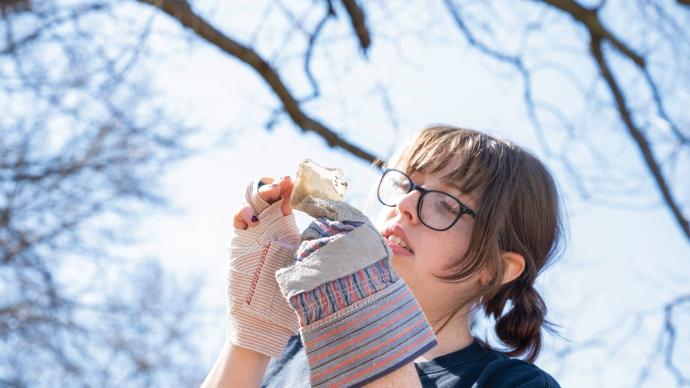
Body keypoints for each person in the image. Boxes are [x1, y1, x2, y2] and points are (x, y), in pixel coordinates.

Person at [202, 125, 564, 387]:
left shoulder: (511, 384)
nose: (405, 205)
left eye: (445, 204)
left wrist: (370, 328)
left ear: (495, 268)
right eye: (405, 184)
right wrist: (254, 332)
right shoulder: (292, 353)